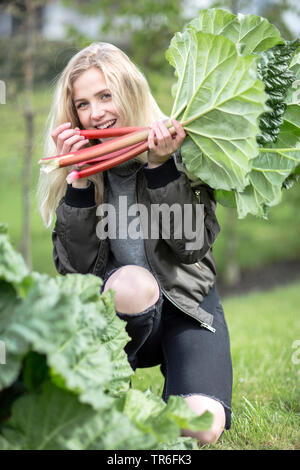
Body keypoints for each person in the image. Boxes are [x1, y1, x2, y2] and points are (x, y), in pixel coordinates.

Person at [37, 42, 233, 447]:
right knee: (131, 281)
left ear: (130, 90)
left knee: (201, 428)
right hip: (123, 316)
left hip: (186, 308)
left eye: (106, 95)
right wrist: (76, 184)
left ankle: (176, 391)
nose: (97, 113)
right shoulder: (83, 171)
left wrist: (162, 169)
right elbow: (75, 270)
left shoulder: (182, 153)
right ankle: (109, 395)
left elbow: (192, 247)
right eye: (83, 104)